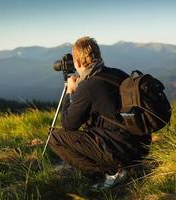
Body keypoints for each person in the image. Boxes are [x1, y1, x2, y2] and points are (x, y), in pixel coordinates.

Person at [49, 36, 151, 189]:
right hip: (141, 145)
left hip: (121, 149)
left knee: (55, 137)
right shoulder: (117, 73)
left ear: (77, 62)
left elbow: (68, 124)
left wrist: (71, 92)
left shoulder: (87, 87)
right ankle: (124, 165)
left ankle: (111, 172)